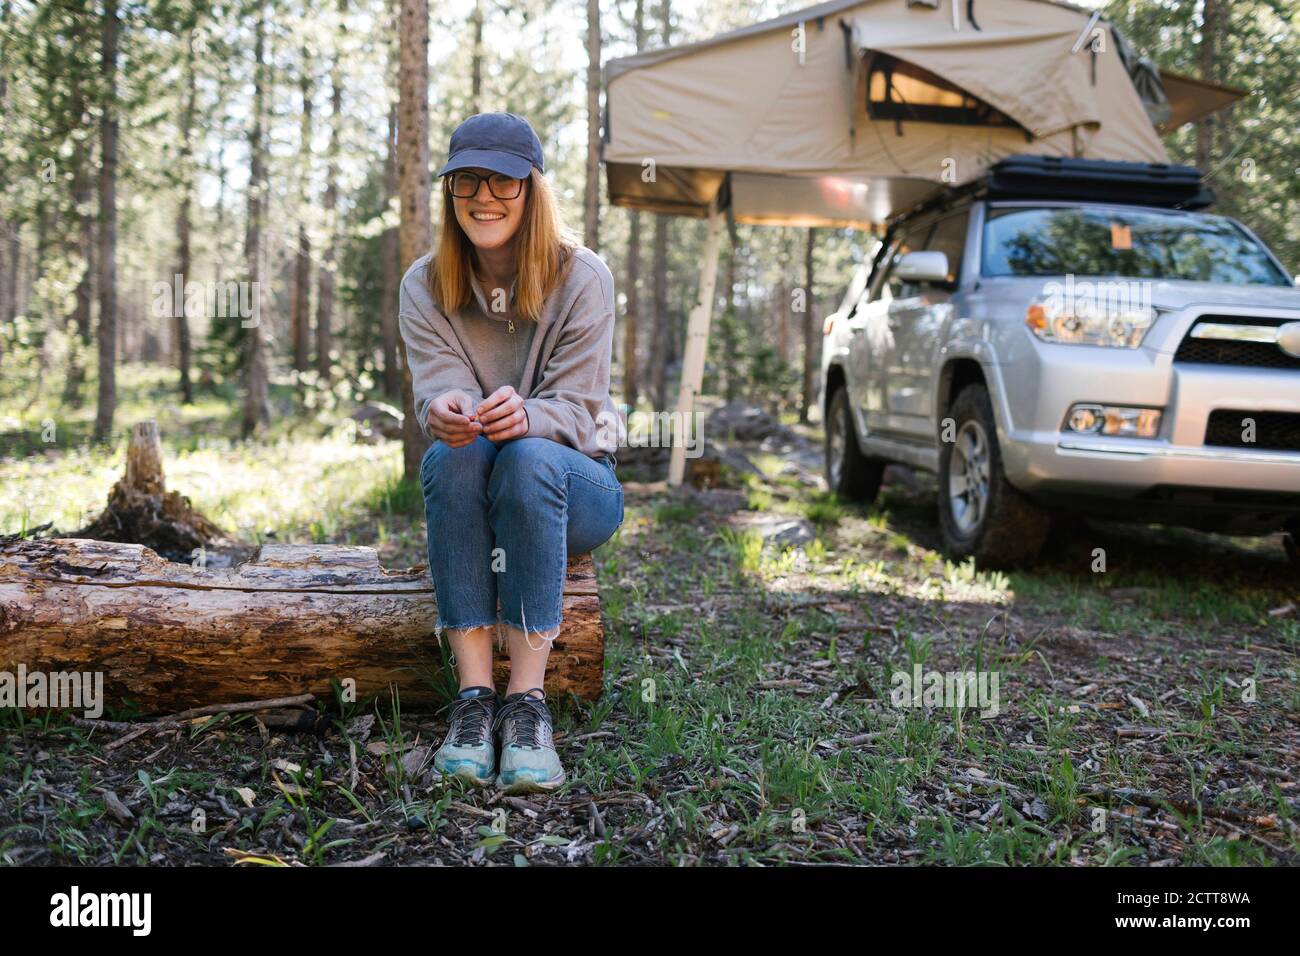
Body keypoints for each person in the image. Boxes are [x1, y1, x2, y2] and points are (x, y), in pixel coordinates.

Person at [398, 112, 624, 794]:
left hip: (578, 483)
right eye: (467, 179)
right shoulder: (425, 283)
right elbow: (436, 389)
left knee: (526, 458)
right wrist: (442, 409)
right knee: (450, 457)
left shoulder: (582, 277)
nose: (484, 196)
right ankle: (474, 703)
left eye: (504, 180)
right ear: (450, 191)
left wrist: (527, 415)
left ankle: (526, 705)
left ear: (533, 190)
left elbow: (582, 412)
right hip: (479, 482)